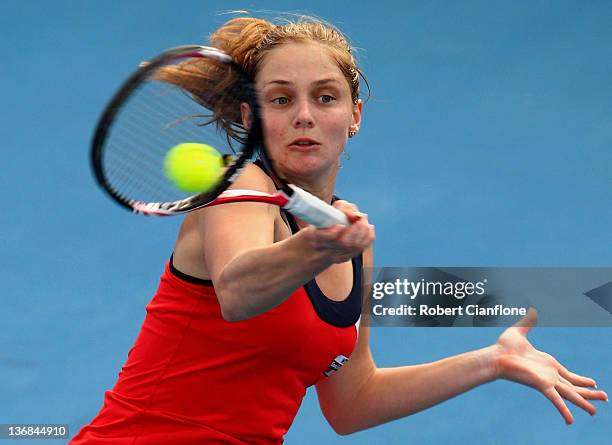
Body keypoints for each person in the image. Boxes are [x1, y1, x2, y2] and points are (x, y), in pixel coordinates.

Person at [71, 15, 608, 444]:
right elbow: (237, 290)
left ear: (354, 115)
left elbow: (353, 404)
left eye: (324, 97)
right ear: (252, 116)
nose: (304, 115)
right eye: (281, 99)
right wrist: (314, 247)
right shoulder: (241, 192)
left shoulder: (349, 245)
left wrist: (492, 361)